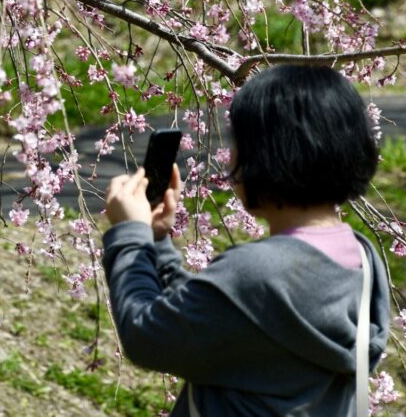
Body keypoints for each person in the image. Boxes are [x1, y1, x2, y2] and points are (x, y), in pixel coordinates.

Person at [102, 65, 390, 416]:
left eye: (237, 140)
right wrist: (157, 239)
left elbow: (146, 336)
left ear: (269, 151)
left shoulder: (257, 273)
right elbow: (211, 323)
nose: (231, 155)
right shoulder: (361, 257)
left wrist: (129, 237)